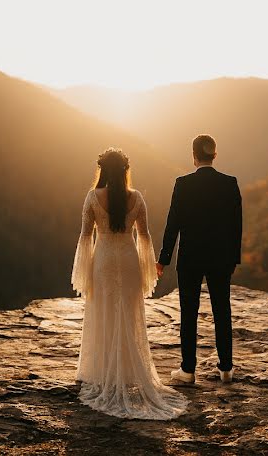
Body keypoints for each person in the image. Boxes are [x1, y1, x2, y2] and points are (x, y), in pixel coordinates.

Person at [70, 147, 187, 419]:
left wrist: (84, 272)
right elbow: (144, 236)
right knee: (130, 312)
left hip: (103, 260)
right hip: (128, 259)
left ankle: (102, 371)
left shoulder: (92, 197)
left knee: (103, 312)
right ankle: (128, 371)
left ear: (102, 170)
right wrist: (148, 271)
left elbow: (86, 237)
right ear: (125, 171)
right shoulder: (137, 198)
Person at [157, 134, 243, 384]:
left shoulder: (183, 184)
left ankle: (188, 371)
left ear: (193, 156)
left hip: (190, 258)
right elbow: (236, 225)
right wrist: (233, 259)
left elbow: (173, 224)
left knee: (189, 312)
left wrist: (163, 258)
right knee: (222, 311)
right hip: (221, 258)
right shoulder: (230, 183)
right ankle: (226, 369)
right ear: (214, 155)